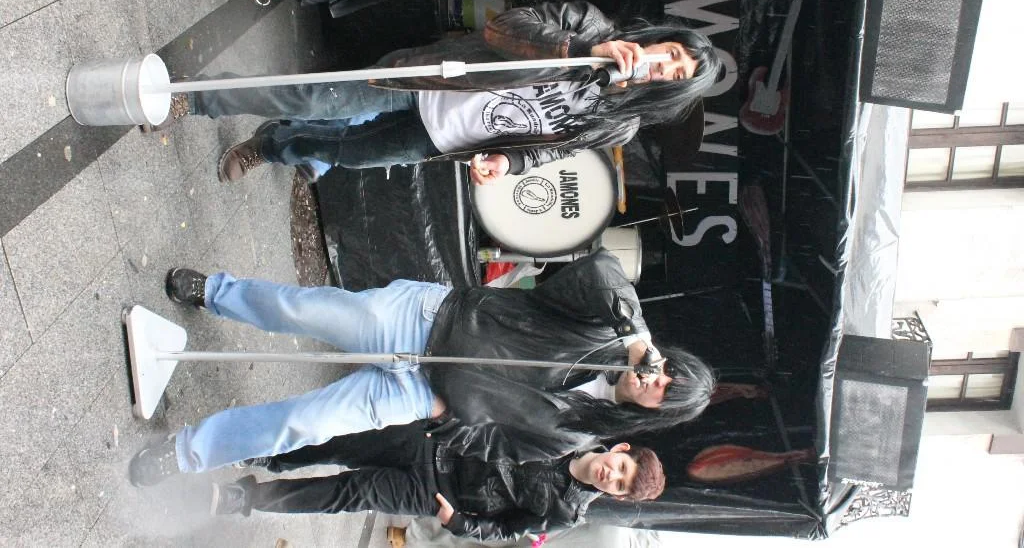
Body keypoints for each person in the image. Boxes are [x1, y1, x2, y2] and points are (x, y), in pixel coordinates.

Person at [128, 249, 715, 486]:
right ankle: (216, 293)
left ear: (657, 413)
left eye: (666, 393)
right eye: (669, 371)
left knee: (304, 425)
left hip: (422, 396)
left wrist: (444, 417)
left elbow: (498, 447)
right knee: (300, 311)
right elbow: (599, 269)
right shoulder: (604, 328)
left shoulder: (581, 434)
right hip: (428, 320)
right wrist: (635, 336)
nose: (657, 381)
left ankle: (184, 454)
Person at [179, 0, 721, 183]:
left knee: (346, 153)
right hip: (427, 79)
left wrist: (509, 164)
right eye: (674, 54)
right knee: (313, 98)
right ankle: (197, 98)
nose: (666, 67)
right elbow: (503, 28)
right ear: (662, 39)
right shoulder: (591, 26)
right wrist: (583, 50)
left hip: (443, 139)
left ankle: (274, 144)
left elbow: (552, 149)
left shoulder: (621, 124)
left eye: (677, 75)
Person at [207, 418, 665, 543]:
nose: (611, 476)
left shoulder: (566, 513)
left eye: (619, 486)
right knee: (343, 443)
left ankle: (246, 496)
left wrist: (461, 524)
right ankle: (269, 453)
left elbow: (506, 529)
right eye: (621, 469)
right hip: (436, 439)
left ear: (616, 496)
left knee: (352, 492)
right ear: (621, 449)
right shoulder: (569, 431)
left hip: (439, 493)